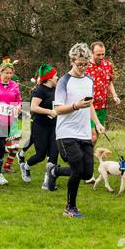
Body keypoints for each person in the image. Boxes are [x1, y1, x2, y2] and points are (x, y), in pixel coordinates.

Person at [43, 43, 105, 218]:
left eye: (86, 64)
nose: (83, 68)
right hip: (66, 133)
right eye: (79, 64)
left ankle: (54, 171)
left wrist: (97, 123)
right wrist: (76, 105)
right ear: (71, 61)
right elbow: (58, 109)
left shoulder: (89, 80)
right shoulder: (64, 82)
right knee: (77, 170)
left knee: (87, 172)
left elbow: (90, 104)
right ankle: (70, 208)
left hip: (84, 132)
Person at [20, 63, 58, 184]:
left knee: (54, 154)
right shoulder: (40, 90)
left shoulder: (56, 89)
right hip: (40, 126)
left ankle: (48, 181)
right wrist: (49, 112)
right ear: (50, 78)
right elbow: (33, 107)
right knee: (40, 155)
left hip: (54, 126)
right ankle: (26, 166)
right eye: (56, 76)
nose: (57, 77)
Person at [85, 42, 121, 146]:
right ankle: (83, 158)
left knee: (96, 134)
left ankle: (88, 157)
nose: (101, 57)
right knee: (92, 136)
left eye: (103, 54)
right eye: (98, 54)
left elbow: (109, 82)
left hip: (102, 106)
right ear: (92, 53)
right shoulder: (85, 66)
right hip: (88, 106)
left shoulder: (108, 65)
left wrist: (114, 95)